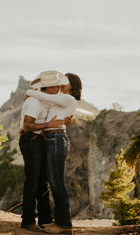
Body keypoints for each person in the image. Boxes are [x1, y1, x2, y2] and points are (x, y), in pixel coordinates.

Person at [26, 72, 82, 234]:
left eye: (66, 80)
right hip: (51, 137)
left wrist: (29, 91)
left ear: (73, 85)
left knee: (57, 183)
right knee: (53, 182)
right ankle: (59, 222)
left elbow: (47, 98)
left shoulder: (68, 98)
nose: (62, 82)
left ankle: (64, 225)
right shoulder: (62, 99)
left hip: (56, 139)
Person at [19, 71, 70, 232]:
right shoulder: (35, 102)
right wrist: (49, 125)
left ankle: (45, 219)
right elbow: (27, 126)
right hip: (31, 140)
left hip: (38, 140)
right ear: (48, 87)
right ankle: (27, 220)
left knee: (42, 182)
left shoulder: (43, 99)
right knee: (33, 182)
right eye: (57, 85)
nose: (59, 88)